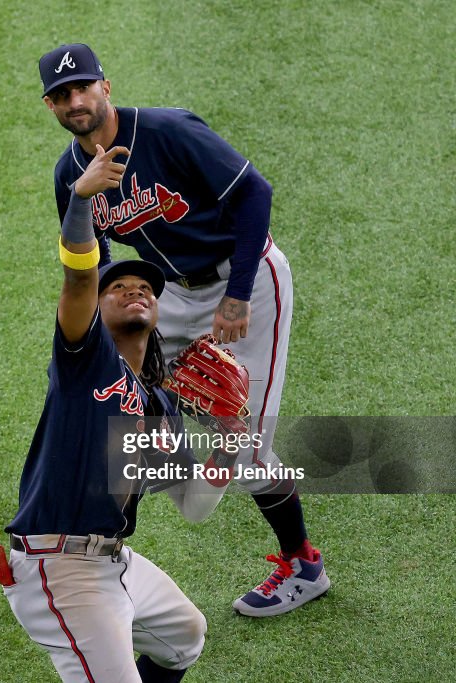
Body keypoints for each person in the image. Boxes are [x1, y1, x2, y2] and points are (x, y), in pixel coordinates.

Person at [37, 43, 330, 617]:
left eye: (84, 88)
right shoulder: (69, 174)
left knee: (244, 445)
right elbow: (85, 259)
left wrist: (238, 294)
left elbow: (255, 194)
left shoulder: (168, 131)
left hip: (246, 280)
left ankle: (302, 563)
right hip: (170, 293)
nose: (76, 101)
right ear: (50, 105)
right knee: (138, 402)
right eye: (62, 94)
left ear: (106, 87)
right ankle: (112, 532)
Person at [1, 146, 233, 682]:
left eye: (146, 288)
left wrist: (228, 443)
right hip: (58, 568)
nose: (135, 291)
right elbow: (80, 278)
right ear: (98, 310)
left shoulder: (161, 404)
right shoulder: (85, 359)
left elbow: (193, 505)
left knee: (184, 635)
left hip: (112, 562)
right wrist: (81, 200)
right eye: (119, 287)